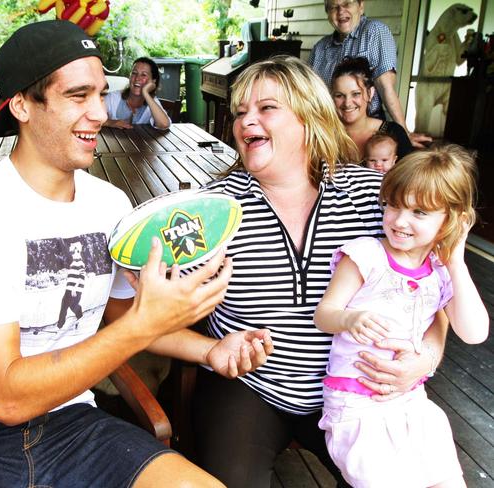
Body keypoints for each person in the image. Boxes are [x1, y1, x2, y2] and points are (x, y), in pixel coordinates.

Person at [0, 20, 273, 488]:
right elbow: (6, 397)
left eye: (101, 94)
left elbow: (122, 312)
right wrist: (146, 322)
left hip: (72, 425)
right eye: (78, 96)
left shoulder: (111, 206)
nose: (98, 112)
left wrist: (212, 350)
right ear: (21, 105)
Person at [191, 55, 449, 488]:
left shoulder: (373, 198)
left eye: (266, 108)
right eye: (240, 112)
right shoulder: (216, 208)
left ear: (310, 117)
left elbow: (430, 294)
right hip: (252, 385)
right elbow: (155, 308)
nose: (245, 121)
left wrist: (425, 360)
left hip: (359, 390)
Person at [314, 145, 488, 487]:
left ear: (452, 219)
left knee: (448, 481)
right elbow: (325, 314)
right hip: (357, 406)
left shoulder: (440, 271)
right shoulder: (366, 255)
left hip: (411, 402)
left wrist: (455, 260)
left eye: (419, 212)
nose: (399, 220)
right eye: (393, 205)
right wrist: (349, 319)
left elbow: (474, 332)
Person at [309, 0, 431, 148]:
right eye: (334, 7)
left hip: (369, 130)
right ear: (328, 13)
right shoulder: (320, 48)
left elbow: (386, 88)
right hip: (330, 131)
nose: (341, 11)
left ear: (361, 6)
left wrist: (403, 132)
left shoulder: (375, 32)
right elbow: (311, 97)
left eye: (347, 4)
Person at [331, 57, 412, 160]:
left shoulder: (394, 133)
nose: (347, 103)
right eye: (339, 95)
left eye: (356, 94)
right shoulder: (324, 135)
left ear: (370, 93)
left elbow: (411, 174)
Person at [104, 57, 171, 130]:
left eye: (143, 75)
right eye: (134, 73)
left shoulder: (152, 102)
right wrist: (110, 122)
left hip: (141, 141)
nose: (137, 78)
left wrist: (145, 93)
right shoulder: (112, 98)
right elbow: (90, 118)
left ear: (153, 81)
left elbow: (164, 124)